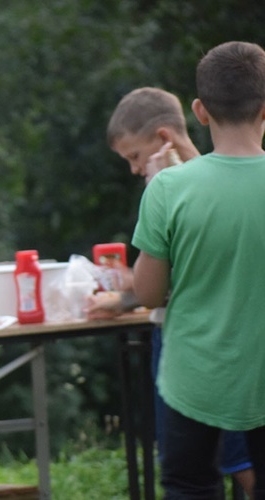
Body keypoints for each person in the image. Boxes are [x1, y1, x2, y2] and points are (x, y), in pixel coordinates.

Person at [89, 86, 256, 496]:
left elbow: (153, 289)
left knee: (210, 472)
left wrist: (123, 297)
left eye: (133, 156)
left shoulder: (168, 188)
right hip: (247, 345)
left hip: (199, 351)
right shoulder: (228, 178)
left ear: (163, 138)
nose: (133, 169)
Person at [132, 41, 265, 498]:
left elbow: (147, 293)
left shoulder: (169, 187)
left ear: (200, 111)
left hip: (195, 378)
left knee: (190, 486)